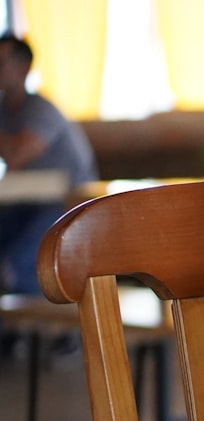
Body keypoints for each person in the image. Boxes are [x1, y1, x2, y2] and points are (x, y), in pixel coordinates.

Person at [0, 33, 97, 294]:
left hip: (70, 204)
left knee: (18, 263)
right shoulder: (3, 110)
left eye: (2, 61)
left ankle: (37, 327)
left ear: (24, 67)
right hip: (27, 201)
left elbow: (19, 153)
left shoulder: (41, 109)